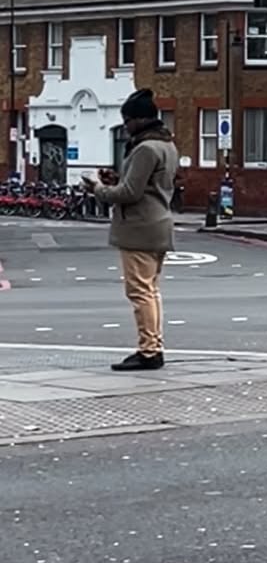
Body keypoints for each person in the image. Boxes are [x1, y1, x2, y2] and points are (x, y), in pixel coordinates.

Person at [83, 88, 178, 372]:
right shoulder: (166, 145)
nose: (125, 126)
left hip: (140, 227)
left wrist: (98, 188)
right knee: (150, 291)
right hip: (158, 223)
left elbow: (130, 193)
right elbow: (146, 185)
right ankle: (153, 346)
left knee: (140, 292)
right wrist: (118, 178)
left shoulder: (146, 148)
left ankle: (149, 351)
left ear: (140, 120)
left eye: (127, 120)